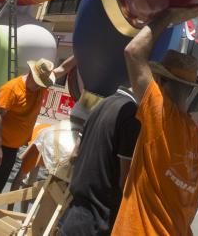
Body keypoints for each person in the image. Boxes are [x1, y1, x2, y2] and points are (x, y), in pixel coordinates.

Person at [111, 18, 198, 236]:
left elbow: (133, 51)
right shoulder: (197, 138)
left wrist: (169, 14)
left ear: (160, 82)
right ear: (190, 90)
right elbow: (191, 204)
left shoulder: (160, 112)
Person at [0, 56, 73, 193]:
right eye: (38, 83)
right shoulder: (11, 89)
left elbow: (64, 68)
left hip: (12, 147)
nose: (40, 86)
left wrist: (82, 51)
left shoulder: (42, 85)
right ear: (31, 74)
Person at [60, 87, 141, 235]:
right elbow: (126, 184)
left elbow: (74, 154)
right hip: (98, 221)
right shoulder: (131, 115)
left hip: (73, 214)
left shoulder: (102, 104)